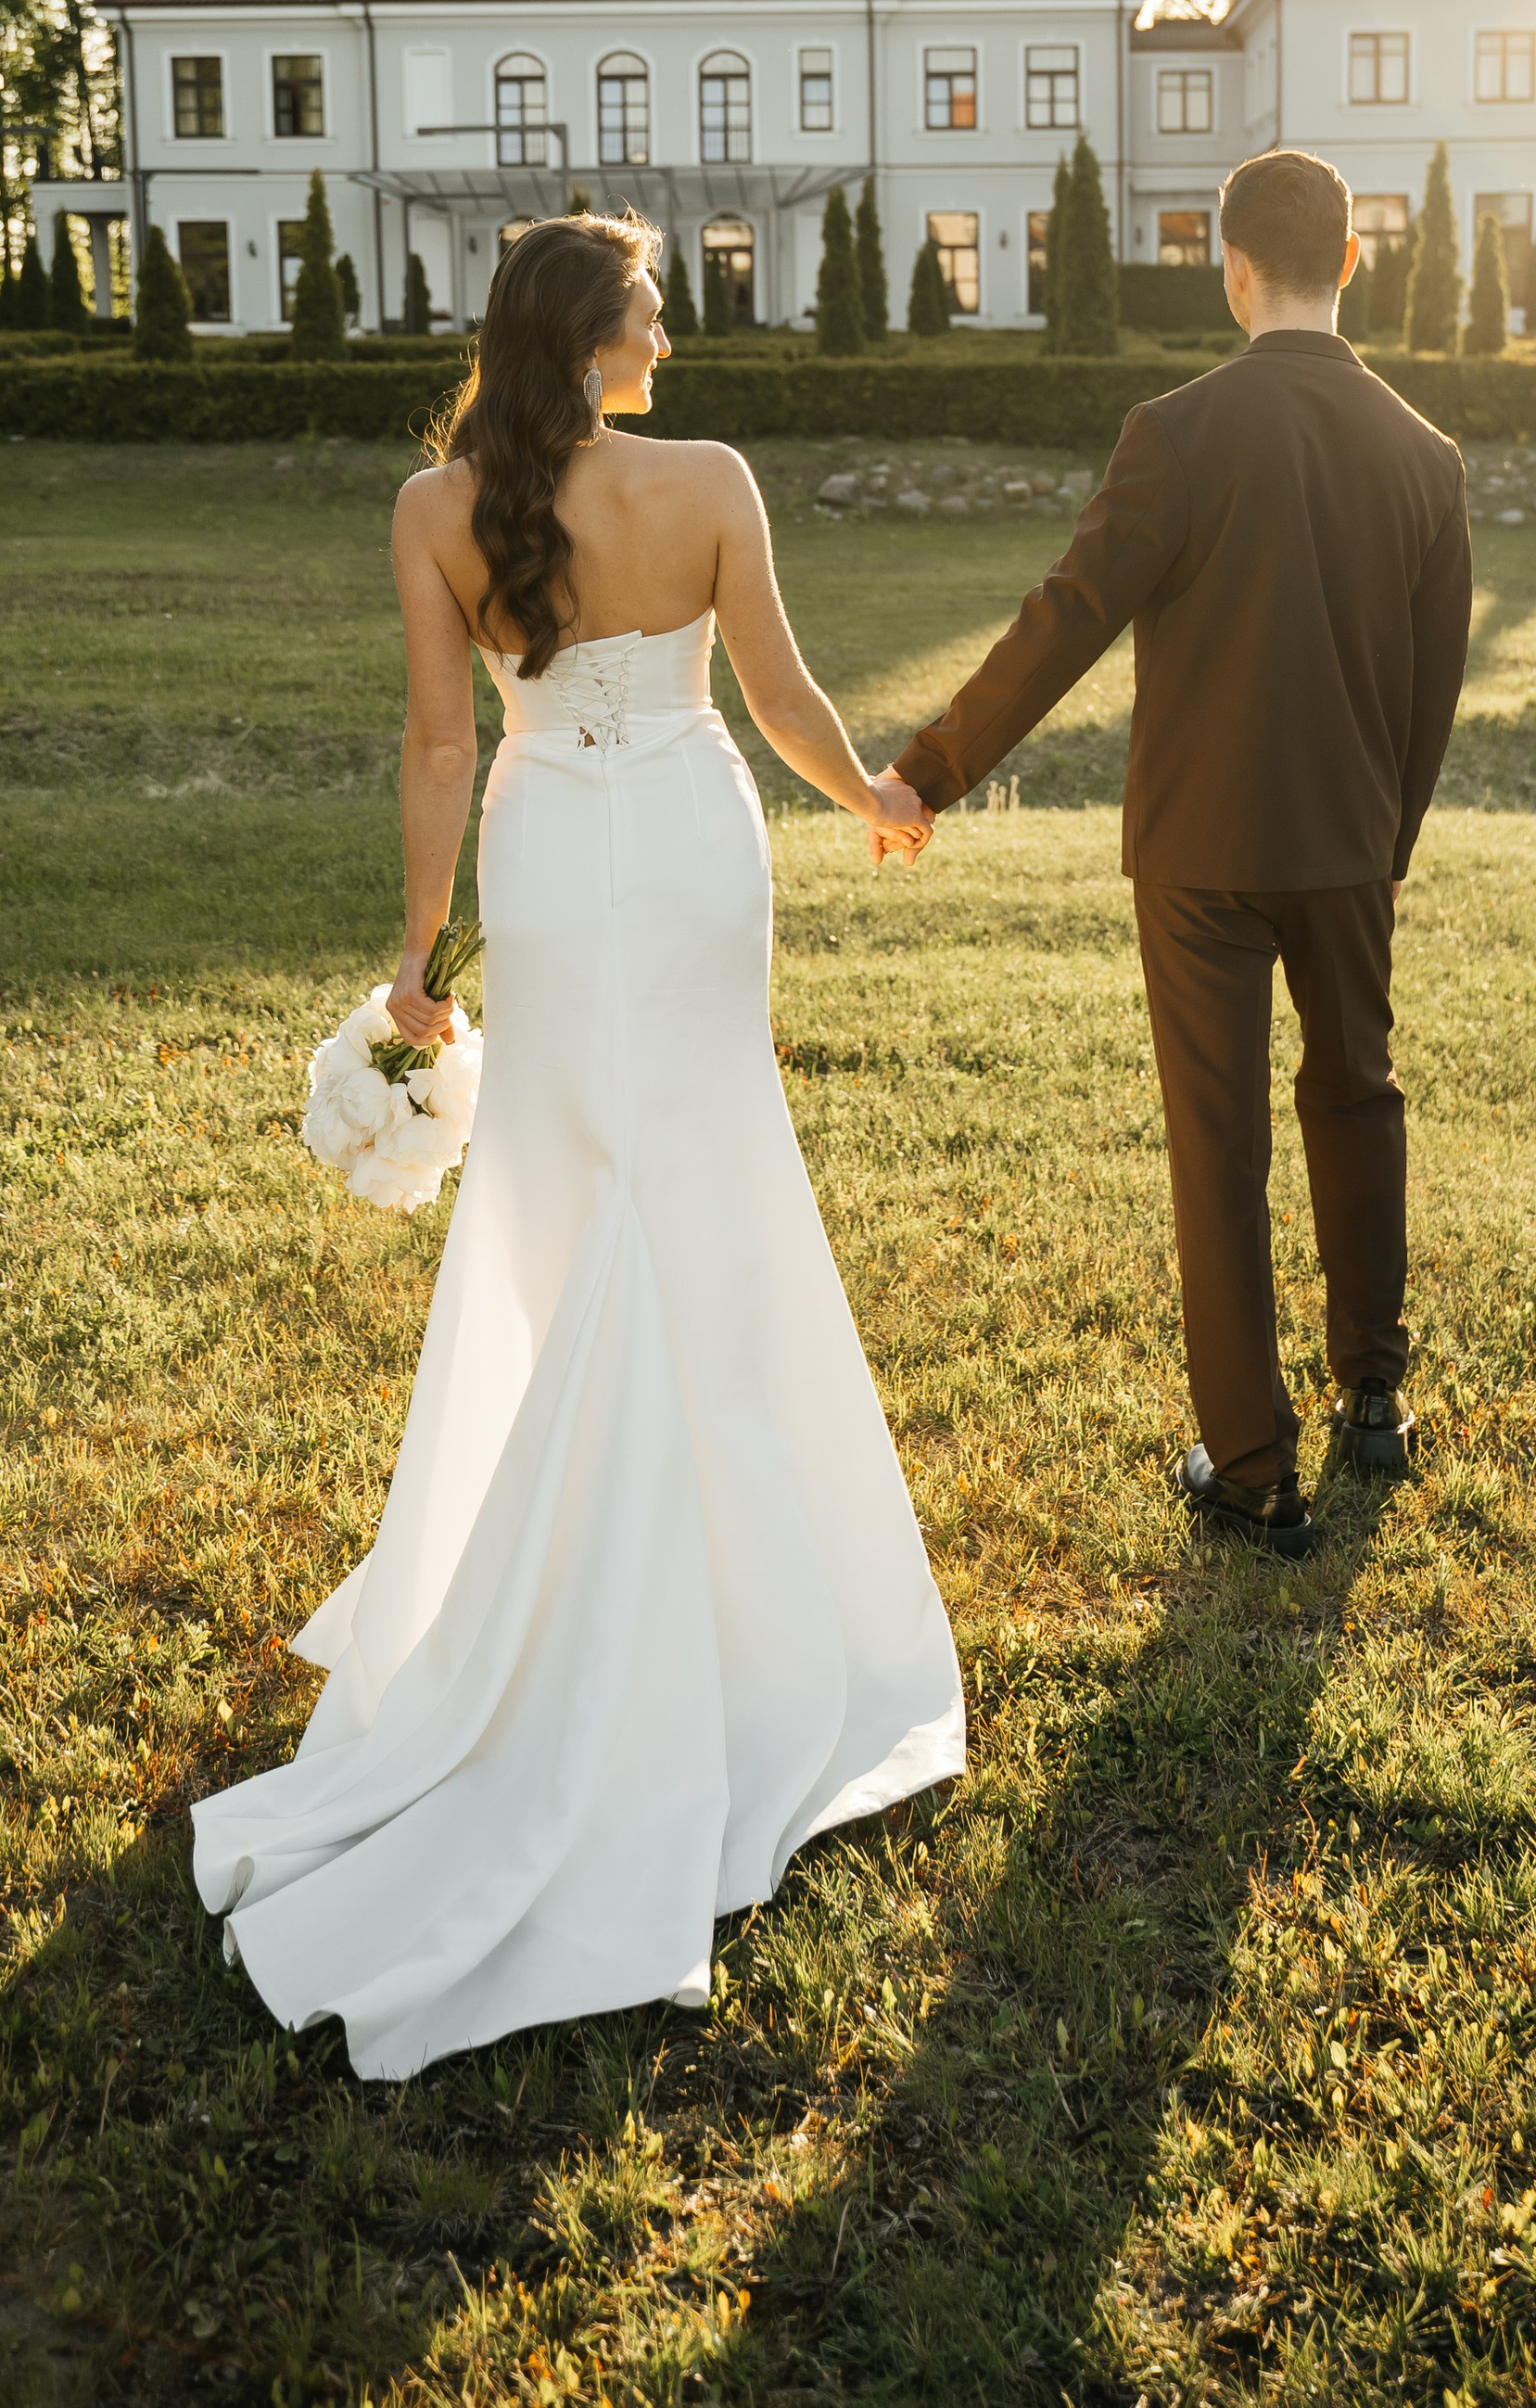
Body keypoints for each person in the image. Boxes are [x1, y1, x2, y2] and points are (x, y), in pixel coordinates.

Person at [191, 210, 958, 2077]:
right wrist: (864, 789)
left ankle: (561, 1560)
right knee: (701, 1168)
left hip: (545, 859)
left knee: (572, 1182)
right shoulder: (706, 483)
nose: (670, 334)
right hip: (694, 855)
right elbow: (772, 697)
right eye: (649, 306)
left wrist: (417, 950)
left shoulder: (433, 508)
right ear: (594, 331)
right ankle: (712, 1558)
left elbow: (441, 746)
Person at [889, 147, 1470, 1560]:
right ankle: (1376, 1398)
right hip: (1346, 843)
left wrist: (929, 770)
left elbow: (1068, 615)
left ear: (1230, 272)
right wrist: (1378, 837)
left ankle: (1257, 1469)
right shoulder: (1425, 454)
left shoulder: (1176, 432)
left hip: (1199, 853)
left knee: (1217, 1148)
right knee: (1358, 1097)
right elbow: (1433, 686)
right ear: (1350, 262)